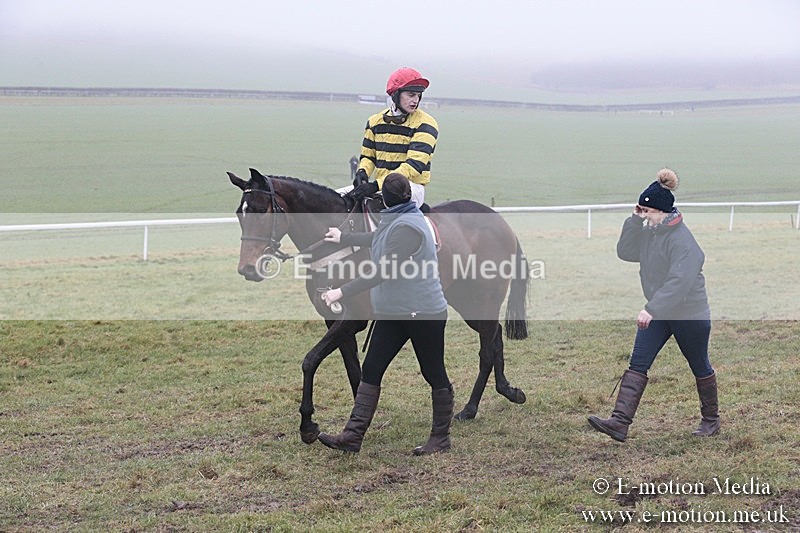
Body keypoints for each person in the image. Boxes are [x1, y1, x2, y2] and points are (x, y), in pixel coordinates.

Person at [318, 172, 452, 455]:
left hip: (422, 313)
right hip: (394, 313)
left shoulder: (407, 227)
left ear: (385, 200)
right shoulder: (398, 218)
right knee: (372, 369)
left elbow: (383, 271)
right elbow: (378, 236)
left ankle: (440, 438)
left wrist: (341, 292)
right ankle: (352, 437)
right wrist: (344, 237)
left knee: (433, 373)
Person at [588, 168, 719, 442]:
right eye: (643, 211)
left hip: (688, 314)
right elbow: (625, 251)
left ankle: (711, 420)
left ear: (662, 211)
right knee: (638, 361)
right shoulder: (652, 232)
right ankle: (619, 423)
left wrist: (651, 308)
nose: (645, 215)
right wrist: (635, 220)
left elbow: (679, 282)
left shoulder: (683, 241)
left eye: (648, 212)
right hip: (660, 312)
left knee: (699, 365)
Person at [349, 67, 439, 210]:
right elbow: (368, 156)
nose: (415, 101)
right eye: (411, 95)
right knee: (339, 200)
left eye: (418, 96)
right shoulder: (374, 122)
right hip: (380, 185)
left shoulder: (426, 124)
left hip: (409, 187)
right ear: (396, 94)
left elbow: (413, 166)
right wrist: (362, 172)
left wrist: (375, 185)